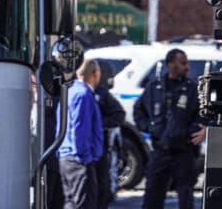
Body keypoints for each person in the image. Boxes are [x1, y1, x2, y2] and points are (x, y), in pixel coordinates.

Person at [133, 48, 207, 209]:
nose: (187, 67)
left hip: (184, 151)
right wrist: (149, 127)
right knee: (152, 196)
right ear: (170, 64)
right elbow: (138, 111)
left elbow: (202, 115)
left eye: (187, 63)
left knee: (185, 197)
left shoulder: (192, 88)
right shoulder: (154, 87)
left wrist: (199, 130)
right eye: (183, 63)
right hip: (160, 150)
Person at [59, 59, 104, 209]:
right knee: (83, 204)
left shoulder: (70, 91)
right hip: (78, 159)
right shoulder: (83, 94)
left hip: (66, 157)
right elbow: (80, 129)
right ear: (95, 73)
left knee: (71, 202)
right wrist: (84, 158)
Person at [94, 61, 127, 209]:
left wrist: (98, 124)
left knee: (103, 189)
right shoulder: (75, 91)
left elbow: (119, 114)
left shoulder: (100, 93)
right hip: (78, 153)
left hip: (98, 149)